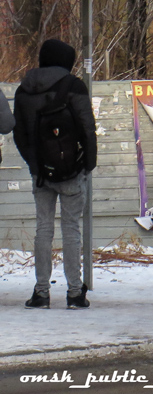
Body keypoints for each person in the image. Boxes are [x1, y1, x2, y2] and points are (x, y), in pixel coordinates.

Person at [13, 39, 97, 309]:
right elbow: (87, 127)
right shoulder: (74, 87)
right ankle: (74, 293)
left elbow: (20, 134)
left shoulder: (24, 90)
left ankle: (41, 293)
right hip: (72, 171)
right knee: (71, 229)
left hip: (41, 174)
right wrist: (88, 163)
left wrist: (35, 164)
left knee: (43, 230)